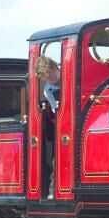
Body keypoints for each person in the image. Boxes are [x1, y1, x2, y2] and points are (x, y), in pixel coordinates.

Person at [34, 56, 62, 199]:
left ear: (54, 67)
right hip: (65, 124)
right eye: (46, 78)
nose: (50, 80)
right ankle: (53, 190)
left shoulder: (70, 73)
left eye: (50, 76)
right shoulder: (48, 91)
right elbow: (57, 111)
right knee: (56, 157)